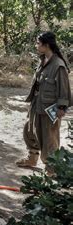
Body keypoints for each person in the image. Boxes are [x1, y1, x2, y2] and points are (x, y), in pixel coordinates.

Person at [17, 32, 72, 169]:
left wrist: (61, 108)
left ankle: (51, 167)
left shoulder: (58, 65)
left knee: (49, 138)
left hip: (50, 108)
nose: (36, 46)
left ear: (46, 45)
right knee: (29, 130)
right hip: (37, 105)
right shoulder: (43, 60)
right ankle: (32, 158)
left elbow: (64, 88)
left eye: (38, 43)